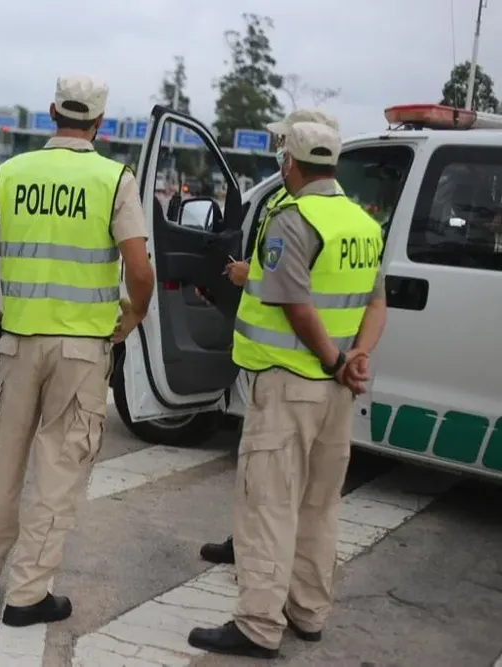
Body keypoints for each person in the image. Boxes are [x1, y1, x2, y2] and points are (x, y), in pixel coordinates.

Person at [0, 74, 155, 628]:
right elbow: (139, 270)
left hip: (18, 344)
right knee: (58, 471)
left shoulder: (13, 172)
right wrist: (135, 313)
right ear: (100, 123)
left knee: (3, 462)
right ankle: (27, 596)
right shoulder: (114, 180)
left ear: (51, 112)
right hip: (82, 354)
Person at [187, 120, 387, 658]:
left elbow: (297, 306)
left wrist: (334, 359)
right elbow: (376, 302)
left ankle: (257, 625)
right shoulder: (363, 223)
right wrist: (356, 358)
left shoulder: (292, 219)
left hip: (289, 385)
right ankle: (308, 611)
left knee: (269, 504)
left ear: (289, 164)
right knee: (320, 504)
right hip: (337, 394)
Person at [199, 108, 345, 566]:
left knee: (271, 477)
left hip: (287, 365)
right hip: (303, 364)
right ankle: (252, 545)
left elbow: (294, 289)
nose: (280, 149)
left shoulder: (297, 209)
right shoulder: (333, 208)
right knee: (286, 479)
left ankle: (257, 566)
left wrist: (250, 275)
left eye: (285, 141)